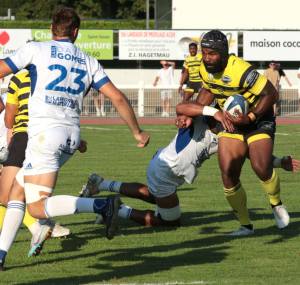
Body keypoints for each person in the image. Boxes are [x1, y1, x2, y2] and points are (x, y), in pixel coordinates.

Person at [0, 7, 149, 271]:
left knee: (36, 209)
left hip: (44, 136)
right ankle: (0, 256)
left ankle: (102, 206)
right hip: (71, 137)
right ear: (76, 32)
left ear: (51, 29)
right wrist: (137, 132)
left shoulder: (36, 48)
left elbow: (2, 69)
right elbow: (117, 97)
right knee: (17, 191)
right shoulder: (89, 61)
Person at [79, 101, 299, 228]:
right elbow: (182, 106)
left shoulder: (228, 136)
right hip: (165, 171)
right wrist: (210, 112)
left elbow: (253, 156)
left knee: (153, 196)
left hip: (163, 167)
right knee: (168, 222)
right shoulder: (198, 120)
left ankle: (102, 183)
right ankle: (116, 210)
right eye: (231, 116)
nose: (233, 121)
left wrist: (279, 162)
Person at [196, 30, 286, 236]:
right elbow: (209, 88)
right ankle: (245, 226)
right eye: (204, 53)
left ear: (224, 53)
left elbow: (271, 94)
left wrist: (251, 117)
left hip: (258, 118)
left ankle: (276, 204)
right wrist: (194, 112)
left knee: (260, 166)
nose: (207, 58)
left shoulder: (242, 70)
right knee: (228, 172)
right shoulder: (204, 67)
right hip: (231, 120)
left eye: (212, 54)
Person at [0, 71, 72, 251]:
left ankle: (40, 227)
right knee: (9, 196)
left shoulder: (13, 92)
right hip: (25, 144)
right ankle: (40, 226)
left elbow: (11, 123)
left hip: (17, 145)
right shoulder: (29, 88)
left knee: (10, 196)